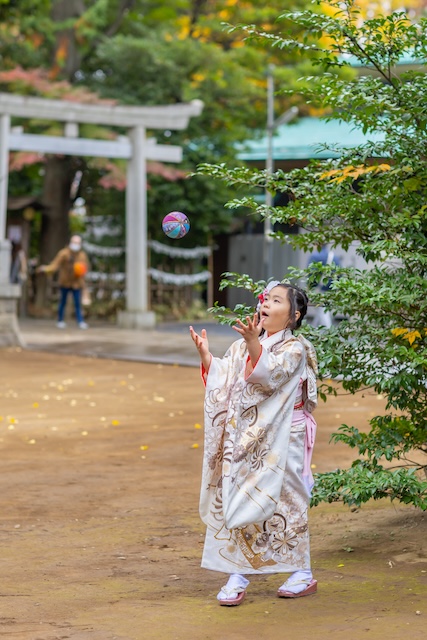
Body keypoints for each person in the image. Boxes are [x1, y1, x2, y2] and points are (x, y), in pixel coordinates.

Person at [189, 280, 318, 606]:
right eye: (266, 298)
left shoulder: (295, 348)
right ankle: (238, 571)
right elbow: (226, 377)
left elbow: (269, 374)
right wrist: (207, 357)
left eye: (277, 300)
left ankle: (301, 572)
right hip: (246, 439)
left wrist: (252, 344)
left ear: (293, 316)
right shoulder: (243, 345)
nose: (267, 304)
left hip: (286, 435)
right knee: (241, 496)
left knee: (288, 503)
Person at [38, 235, 89, 329]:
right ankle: (60, 320)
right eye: (74, 242)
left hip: (76, 283)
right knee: (62, 302)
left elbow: (85, 268)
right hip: (64, 282)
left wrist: (80, 271)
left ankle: (80, 321)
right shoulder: (64, 253)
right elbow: (54, 265)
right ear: (70, 242)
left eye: (78, 243)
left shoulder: (82, 255)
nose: (76, 245)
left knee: (77, 303)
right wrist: (46, 269)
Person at [307, 245, 340, 328]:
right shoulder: (333, 256)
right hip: (333, 289)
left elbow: (311, 275)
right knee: (323, 311)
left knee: (323, 312)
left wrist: (310, 287)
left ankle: (329, 333)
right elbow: (340, 274)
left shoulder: (315, 256)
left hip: (321, 289)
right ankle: (317, 330)